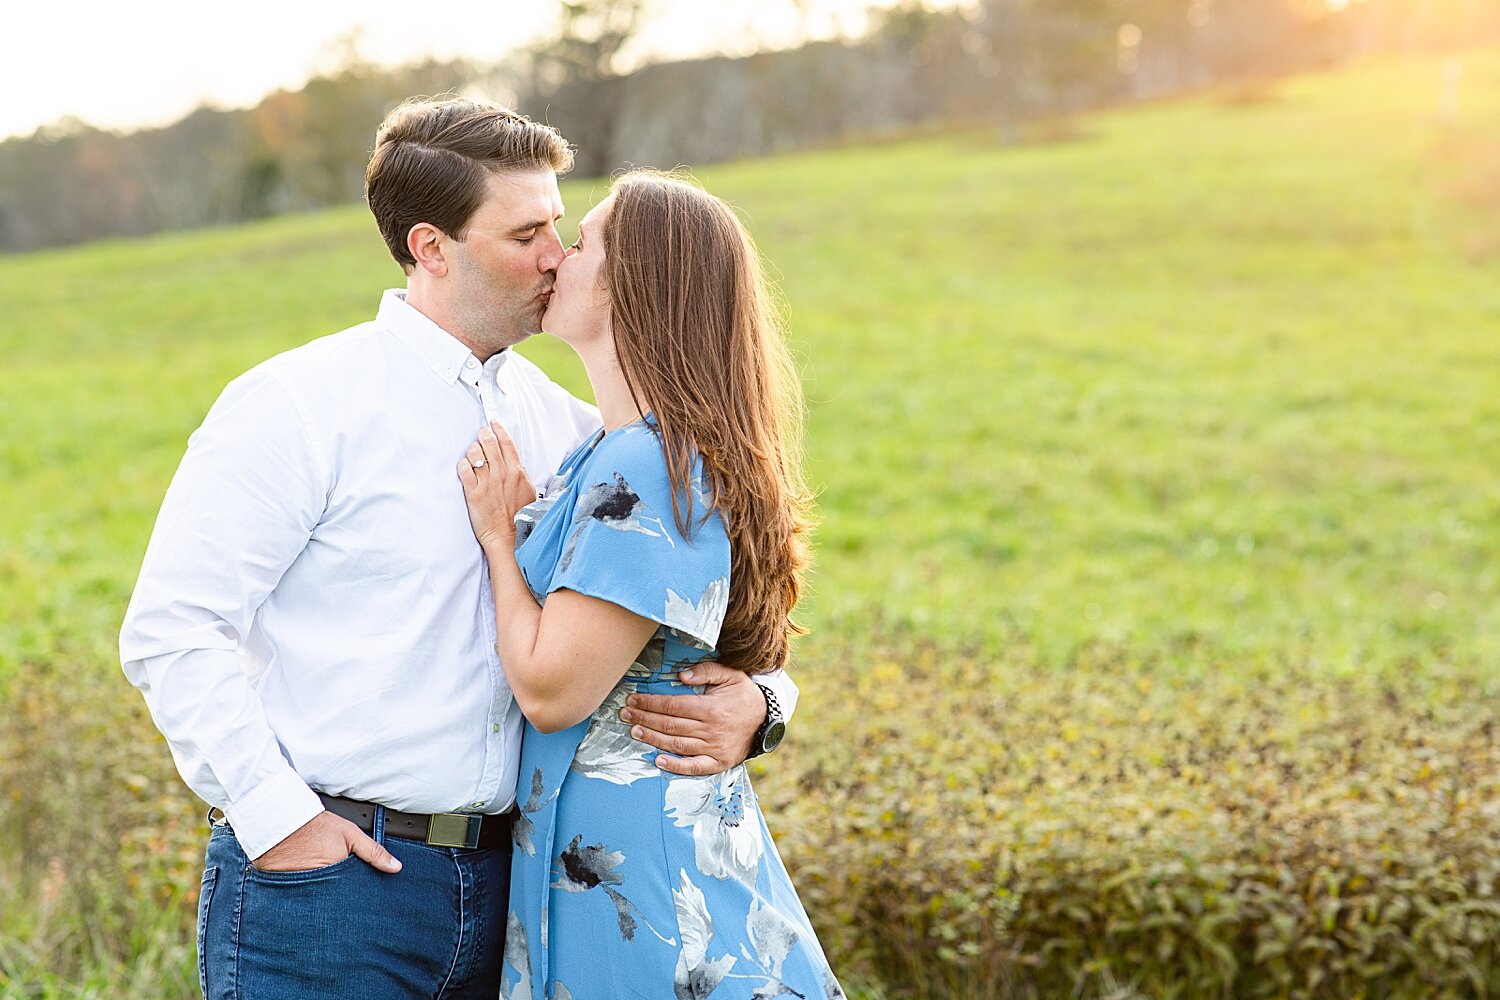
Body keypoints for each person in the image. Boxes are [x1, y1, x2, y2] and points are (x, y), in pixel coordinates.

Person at [119, 99, 799, 999]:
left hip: (523, 892)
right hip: (335, 886)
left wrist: (763, 702)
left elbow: (691, 608)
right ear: (432, 247)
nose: (556, 254)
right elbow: (173, 629)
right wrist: (284, 825)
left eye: (560, 225)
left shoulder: (578, 434)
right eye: (526, 233)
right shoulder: (301, 406)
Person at [456, 170, 842, 999]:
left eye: (582, 240)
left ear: (636, 284)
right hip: (628, 852)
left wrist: (497, 537)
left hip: (638, 878)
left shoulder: (646, 464)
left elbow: (553, 690)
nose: (556, 256)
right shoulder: (612, 450)